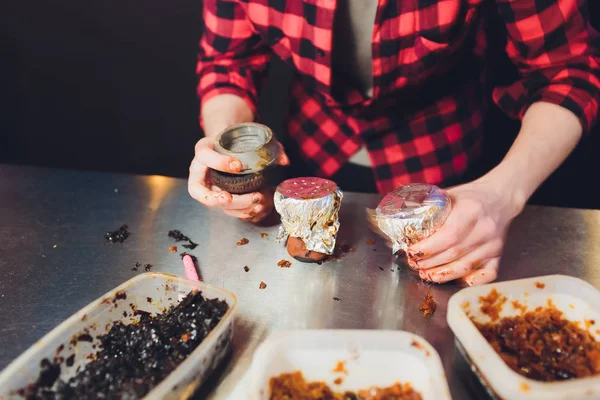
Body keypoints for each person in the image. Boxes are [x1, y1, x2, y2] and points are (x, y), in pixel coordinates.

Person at [189, 0, 600, 286]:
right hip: (314, 148)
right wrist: (227, 153)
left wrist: (502, 195)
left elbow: (570, 72)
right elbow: (228, 63)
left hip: (442, 159)